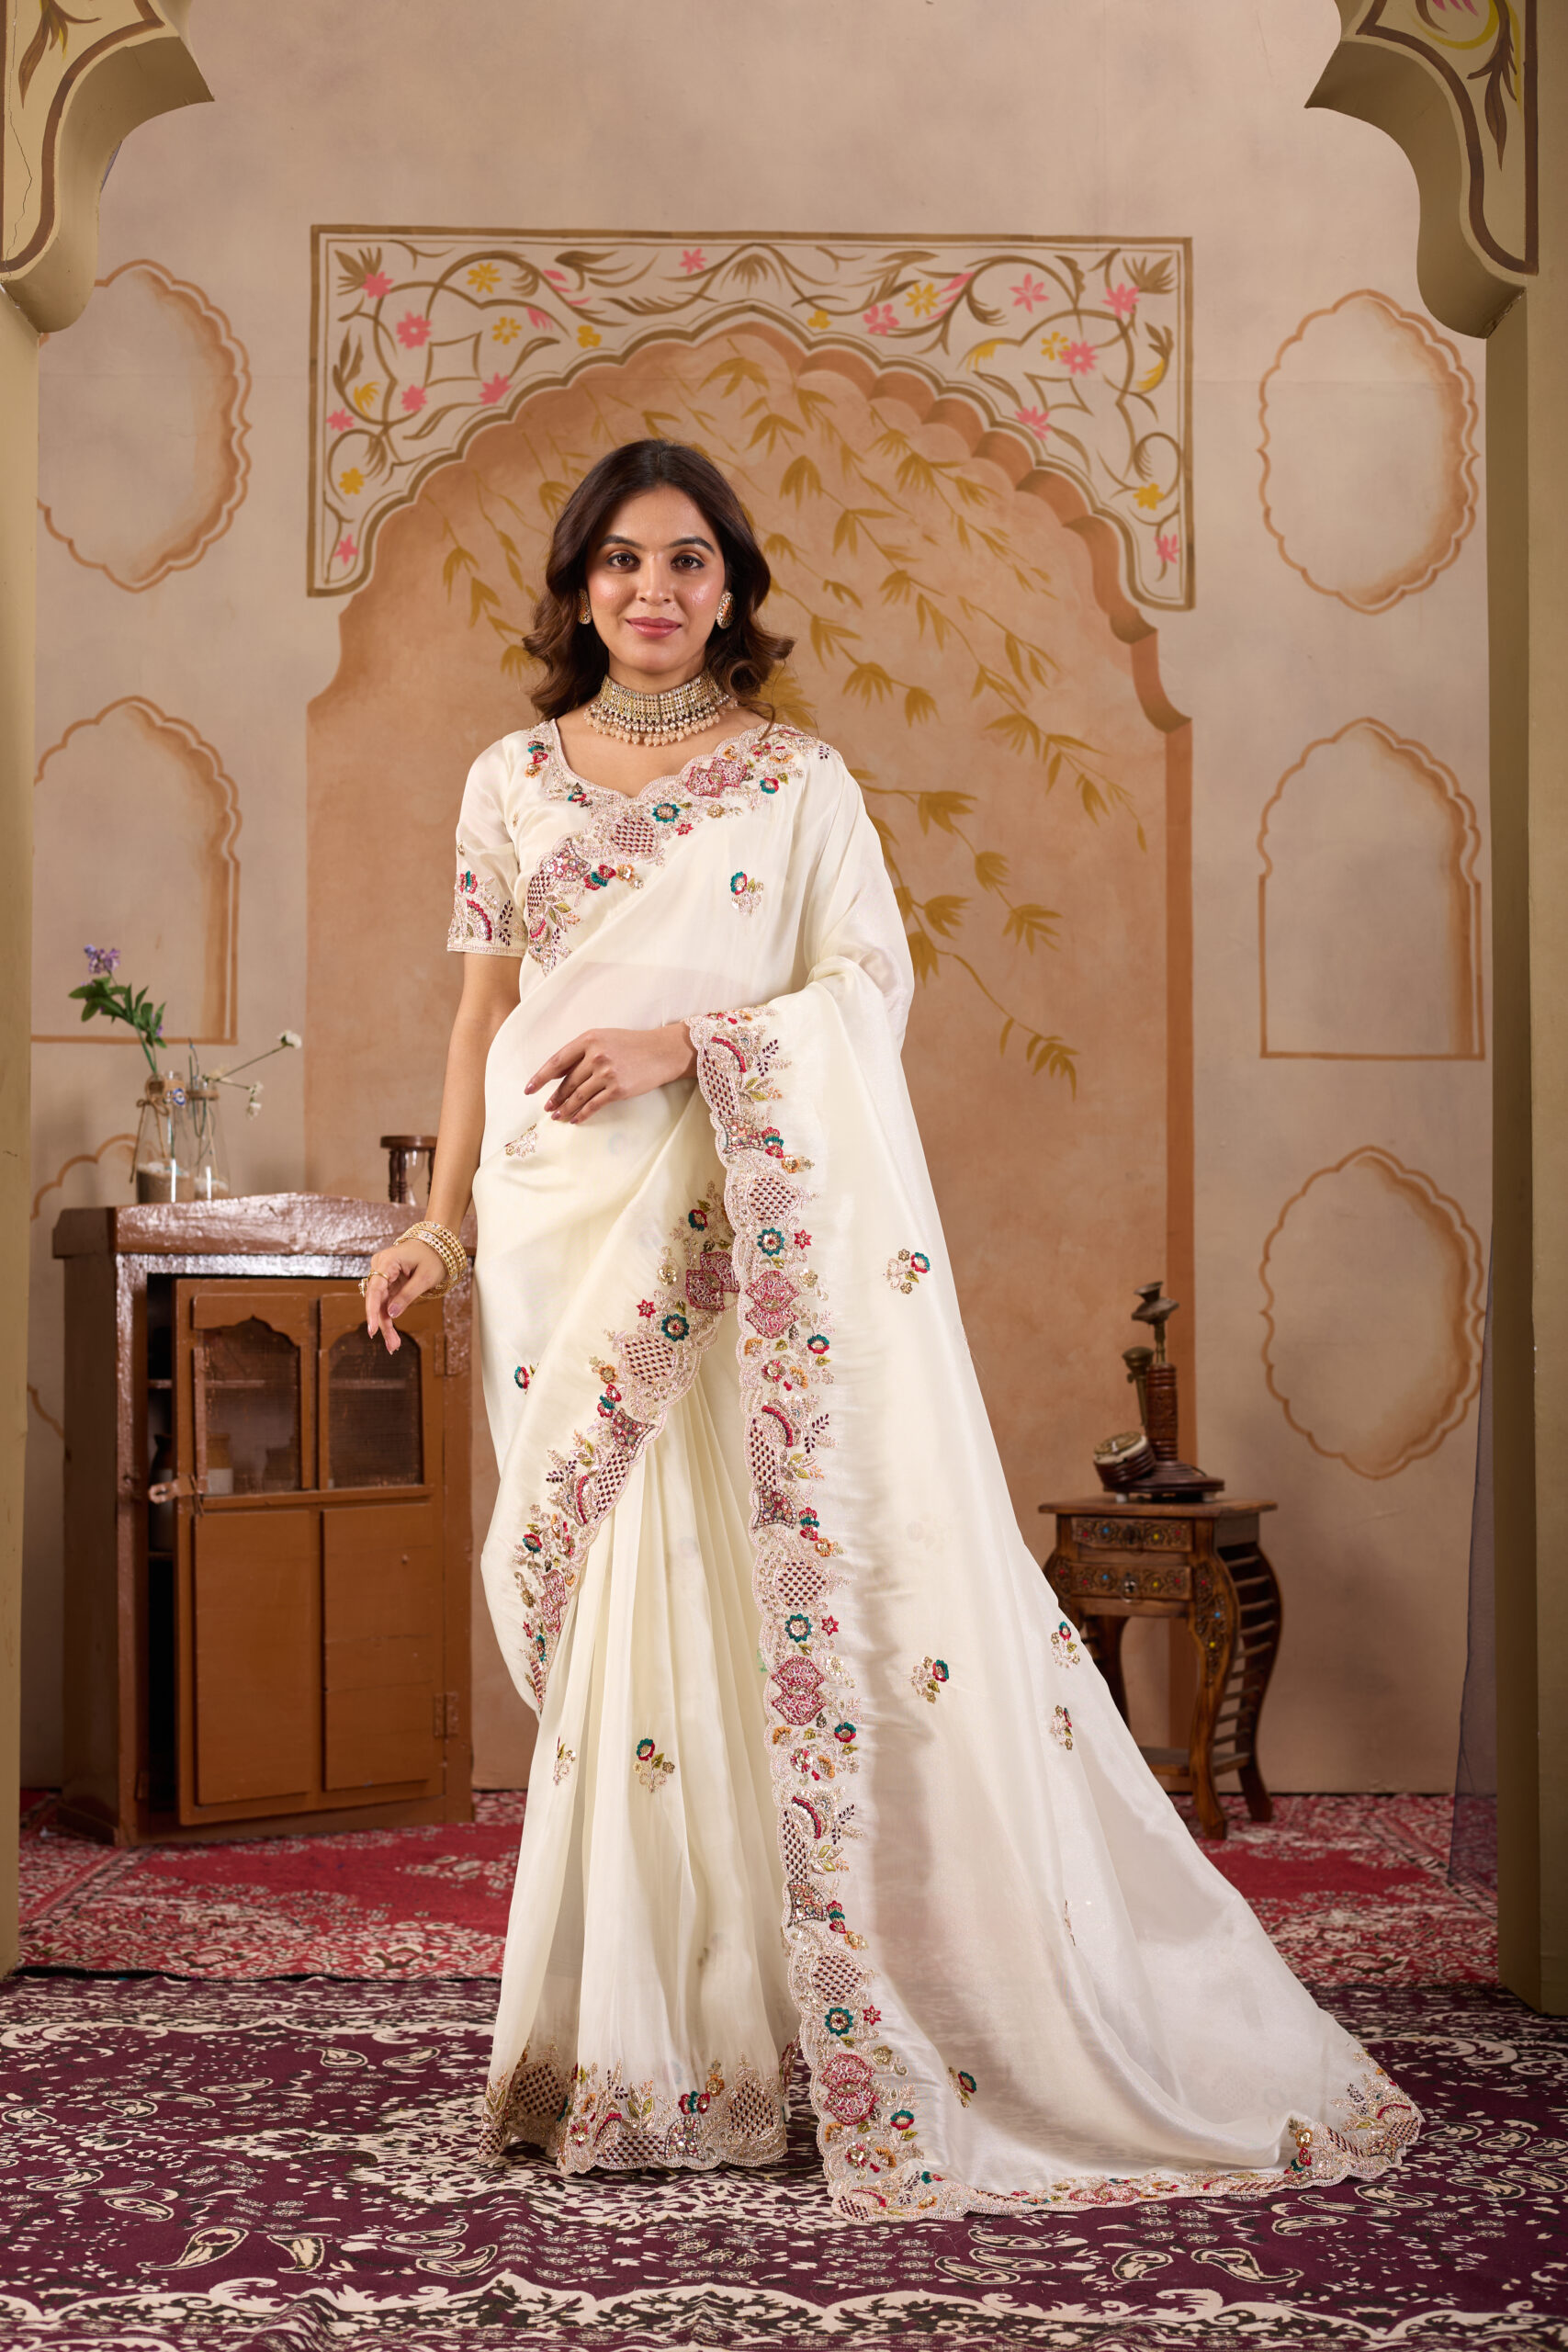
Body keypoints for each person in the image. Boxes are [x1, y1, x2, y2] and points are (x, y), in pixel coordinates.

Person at [362, 438, 1418, 2222]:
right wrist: (438, 1222)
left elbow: (863, 991)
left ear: (732, 588)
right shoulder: (509, 779)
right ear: (575, 589)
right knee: (626, 1615)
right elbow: (481, 1018)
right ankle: (638, 2044)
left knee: (743, 1593)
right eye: (619, 560)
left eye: (685, 560)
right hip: (563, 1231)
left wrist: (685, 1048)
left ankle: (775, 2034)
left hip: (733, 1229)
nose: (651, 590)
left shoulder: (796, 781)